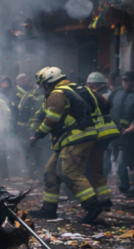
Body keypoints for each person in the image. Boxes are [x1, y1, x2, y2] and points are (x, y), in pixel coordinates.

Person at [28, 66, 101, 223]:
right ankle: (48, 210)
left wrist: (37, 135)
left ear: (49, 82)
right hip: (74, 137)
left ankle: (93, 206)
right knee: (51, 172)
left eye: (43, 84)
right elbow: (104, 104)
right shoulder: (78, 88)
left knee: (69, 172)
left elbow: (51, 119)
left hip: (75, 137)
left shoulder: (57, 94)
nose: (42, 88)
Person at [78, 72, 119, 209]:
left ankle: (99, 197)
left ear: (101, 84)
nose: (91, 87)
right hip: (102, 133)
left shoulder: (102, 95)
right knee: (97, 166)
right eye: (90, 84)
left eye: (93, 85)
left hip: (100, 133)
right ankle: (103, 198)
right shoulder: (102, 94)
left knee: (98, 165)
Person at [109, 72, 134, 193]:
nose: (124, 83)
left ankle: (126, 185)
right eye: (123, 80)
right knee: (118, 160)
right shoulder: (118, 93)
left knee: (123, 162)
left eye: (127, 80)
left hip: (132, 134)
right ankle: (127, 183)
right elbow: (112, 108)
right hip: (118, 132)